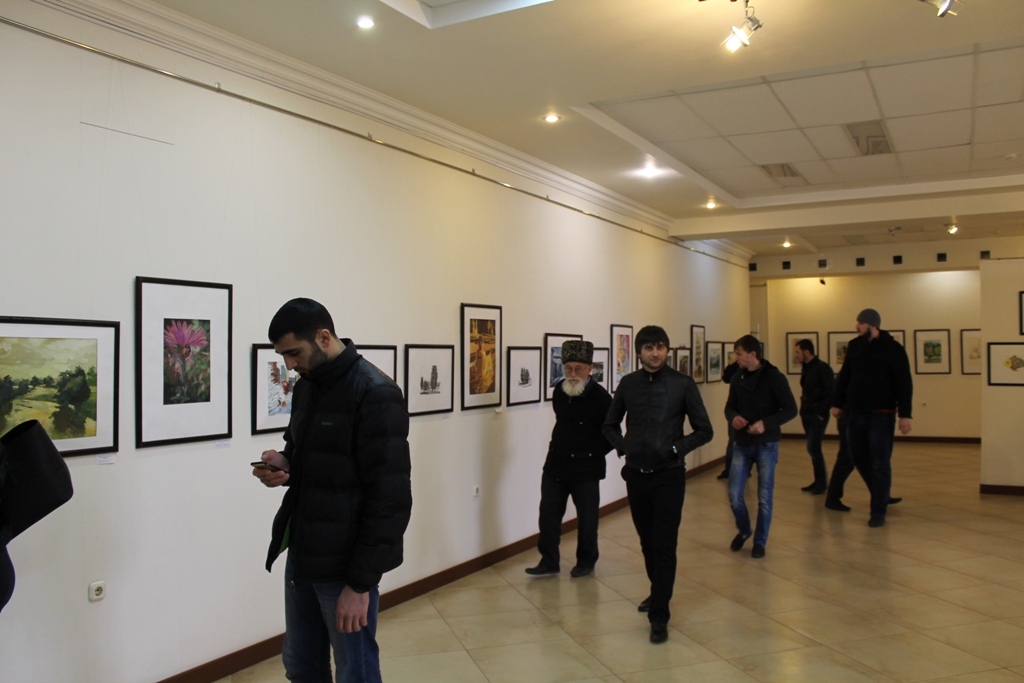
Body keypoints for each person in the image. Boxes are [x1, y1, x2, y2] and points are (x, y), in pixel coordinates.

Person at [253, 298, 412, 683]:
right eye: (282, 355)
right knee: (301, 667)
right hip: (303, 555)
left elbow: (390, 499)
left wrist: (360, 584)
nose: (289, 364)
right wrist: (284, 465)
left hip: (345, 568)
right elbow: (305, 454)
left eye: (294, 352)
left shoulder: (375, 392)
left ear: (324, 338)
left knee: (355, 672)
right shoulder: (307, 387)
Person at [602, 325, 713, 644]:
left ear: (667, 350)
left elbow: (705, 430)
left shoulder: (682, 384)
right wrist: (623, 446)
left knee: (664, 544)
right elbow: (609, 425)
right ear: (639, 352)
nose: (656, 353)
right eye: (649, 347)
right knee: (647, 542)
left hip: (669, 475)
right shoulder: (628, 384)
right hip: (636, 476)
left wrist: (675, 448)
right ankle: (658, 592)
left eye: (661, 347)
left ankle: (659, 616)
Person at [526, 340, 613, 579]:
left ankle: (586, 561)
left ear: (590, 369)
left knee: (587, 519)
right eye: (568, 369)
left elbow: (612, 434)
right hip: (556, 465)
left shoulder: (602, 398)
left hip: (587, 468)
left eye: (578, 369)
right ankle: (548, 561)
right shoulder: (560, 392)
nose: (573, 374)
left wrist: (592, 454)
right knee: (548, 515)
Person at [831, 308, 912, 528]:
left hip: (881, 415)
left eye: (860, 323)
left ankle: (878, 510)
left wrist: (905, 415)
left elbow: (904, 383)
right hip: (855, 413)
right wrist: (837, 402)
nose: (856, 326)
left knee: (880, 463)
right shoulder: (855, 346)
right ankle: (880, 495)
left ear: (871, 324)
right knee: (858, 458)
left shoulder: (893, 349)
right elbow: (845, 375)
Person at [724, 335, 797, 559]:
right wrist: (734, 418)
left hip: (766, 444)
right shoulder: (737, 378)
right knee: (734, 493)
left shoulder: (774, 377)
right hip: (742, 443)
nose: (736, 358)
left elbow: (791, 409)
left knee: (764, 496)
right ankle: (745, 529)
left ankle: (760, 541)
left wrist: (765, 424)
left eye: (739, 354)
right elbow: (729, 407)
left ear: (753, 354)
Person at [796, 339, 834, 494]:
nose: (797, 355)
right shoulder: (806, 367)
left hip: (817, 414)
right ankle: (818, 480)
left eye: (798, 352)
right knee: (813, 448)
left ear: (807, 352)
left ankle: (822, 482)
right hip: (807, 412)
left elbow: (830, 391)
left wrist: (822, 412)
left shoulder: (822, 368)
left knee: (813, 446)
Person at [715, 359, 740, 480]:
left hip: (750, 411)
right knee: (733, 441)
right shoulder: (736, 368)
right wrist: (737, 363)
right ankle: (729, 470)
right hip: (735, 411)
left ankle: (745, 468)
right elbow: (726, 378)